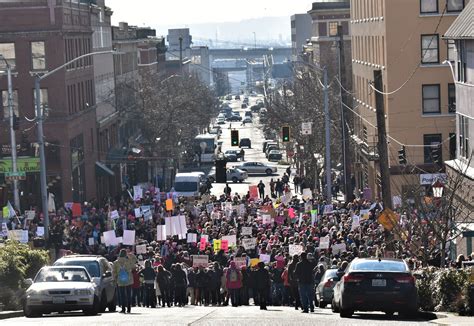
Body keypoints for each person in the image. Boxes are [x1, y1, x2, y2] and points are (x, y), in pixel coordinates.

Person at [113, 249, 138, 314]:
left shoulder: (116, 262)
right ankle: (129, 308)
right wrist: (131, 255)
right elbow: (135, 262)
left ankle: (123, 308)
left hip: (120, 280)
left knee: (122, 295)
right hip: (128, 280)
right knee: (129, 294)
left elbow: (114, 272)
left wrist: (115, 279)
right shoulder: (128, 261)